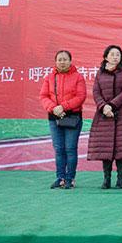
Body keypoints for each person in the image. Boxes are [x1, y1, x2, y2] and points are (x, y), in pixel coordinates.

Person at [87, 45, 122, 190]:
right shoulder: (99, 74)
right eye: (112, 54)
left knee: (121, 149)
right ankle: (106, 179)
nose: (115, 57)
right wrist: (103, 106)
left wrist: (111, 105)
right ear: (106, 57)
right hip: (104, 115)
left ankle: (120, 179)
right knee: (106, 149)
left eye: (118, 54)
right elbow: (96, 92)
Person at [39, 50, 86, 190]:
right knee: (59, 149)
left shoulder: (78, 77)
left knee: (70, 149)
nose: (62, 62)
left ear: (70, 61)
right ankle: (60, 178)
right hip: (54, 118)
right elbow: (43, 96)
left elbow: (80, 97)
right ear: (55, 61)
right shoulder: (49, 77)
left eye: (65, 59)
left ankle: (70, 178)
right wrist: (53, 108)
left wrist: (63, 107)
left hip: (72, 117)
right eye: (59, 59)